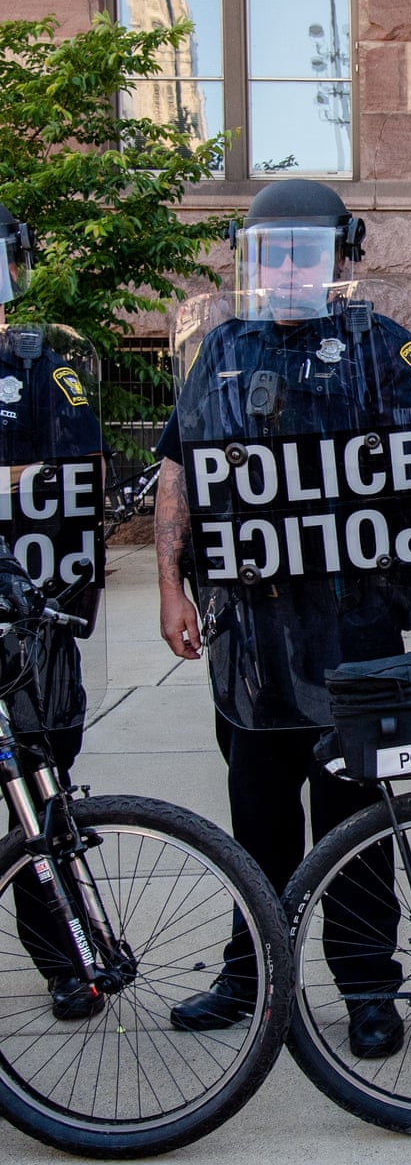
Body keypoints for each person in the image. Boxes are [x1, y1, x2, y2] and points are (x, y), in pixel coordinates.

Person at [155, 179, 411, 1057]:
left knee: (356, 819)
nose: (285, 267)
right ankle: (253, 976)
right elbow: (180, 466)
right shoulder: (221, 351)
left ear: (341, 255)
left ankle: (367, 986)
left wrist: (323, 506)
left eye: (303, 250)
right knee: (259, 819)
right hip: (249, 635)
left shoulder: (387, 349)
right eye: (270, 251)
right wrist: (171, 584)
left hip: (352, 628)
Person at [0, 203, 106, 1020]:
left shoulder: (40, 368)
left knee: (38, 793)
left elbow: (74, 483)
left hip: (25, 617)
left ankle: (69, 960)